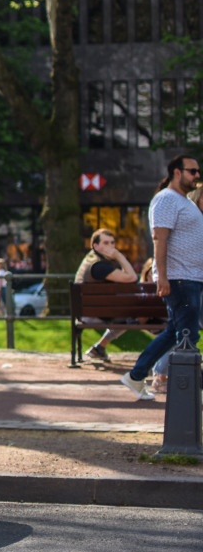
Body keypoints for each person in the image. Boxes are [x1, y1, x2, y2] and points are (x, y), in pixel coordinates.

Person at [121, 155, 203, 401]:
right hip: (180, 278)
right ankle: (188, 391)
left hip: (189, 277)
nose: (197, 175)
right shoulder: (166, 199)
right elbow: (160, 239)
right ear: (177, 172)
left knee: (177, 331)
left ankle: (136, 375)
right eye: (192, 171)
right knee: (187, 335)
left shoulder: (184, 201)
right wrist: (163, 277)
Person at [74, 228, 139, 362]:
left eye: (112, 243)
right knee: (133, 313)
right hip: (96, 314)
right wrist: (119, 256)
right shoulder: (100, 266)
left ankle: (99, 348)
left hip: (85, 311)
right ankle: (162, 345)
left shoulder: (90, 259)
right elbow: (132, 277)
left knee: (129, 313)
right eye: (106, 243)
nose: (111, 247)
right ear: (95, 246)